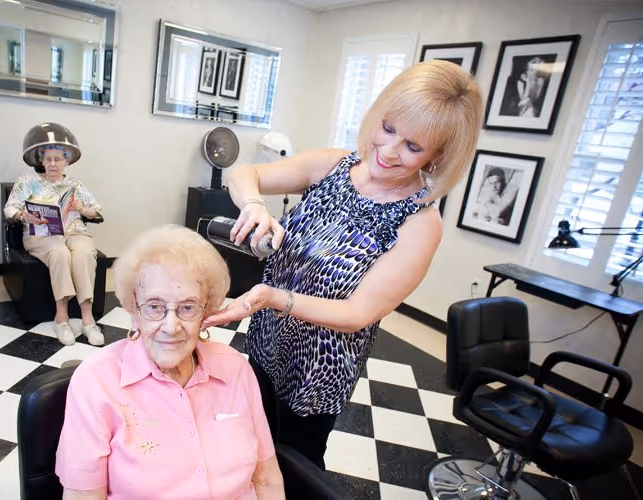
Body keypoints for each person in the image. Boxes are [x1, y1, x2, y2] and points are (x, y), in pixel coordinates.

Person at [203, 60, 484, 469]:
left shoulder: (419, 222)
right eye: (388, 128)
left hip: (320, 366)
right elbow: (245, 172)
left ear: (438, 155)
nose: (387, 152)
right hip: (268, 340)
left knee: (294, 464)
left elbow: (357, 314)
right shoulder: (335, 165)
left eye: (412, 146)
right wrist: (254, 203)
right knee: (250, 443)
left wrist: (273, 296)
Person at [55, 225, 284, 500]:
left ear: (206, 312)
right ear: (134, 310)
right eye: (154, 306)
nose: (171, 326)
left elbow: (267, 478)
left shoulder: (235, 369)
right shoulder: (95, 383)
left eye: (188, 307)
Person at [3, 122, 105, 346]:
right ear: (40, 160)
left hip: (74, 232)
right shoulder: (27, 182)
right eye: (48, 159)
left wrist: (82, 208)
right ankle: (62, 318)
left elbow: (97, 211)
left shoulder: (75, 184)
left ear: (66, 161)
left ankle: (88, 321)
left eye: (58, 159)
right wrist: (24, 216)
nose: (53, 164)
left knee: (84, 254)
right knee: (60, 253)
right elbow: (9, 209)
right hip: (42, 235)